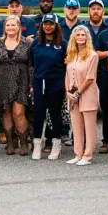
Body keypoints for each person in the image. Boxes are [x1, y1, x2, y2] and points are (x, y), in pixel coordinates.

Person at [0, 13, 33, 157]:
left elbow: (30, 64)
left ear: (18, 27)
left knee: (18, 112)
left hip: (21, 80)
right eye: (8, 25)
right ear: (4, 27)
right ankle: (10, 143)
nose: (10, 27)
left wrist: (31, 83)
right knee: (6, 112)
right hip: (3, 80)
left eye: (13, 25)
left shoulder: (26, 43)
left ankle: (24, 142)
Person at [30, 19, 68, 160]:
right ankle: (37, 144)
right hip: (40, 82)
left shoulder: (63, 44)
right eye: (45, 24)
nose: (48, 26)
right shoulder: (35, 43)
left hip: (56, 83)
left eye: (51, 24)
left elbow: (67, 63)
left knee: (55, 114)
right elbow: (32, 62)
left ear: (56, 26)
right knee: (38, 114)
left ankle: (56, 144)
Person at [84, 0, 108, 154]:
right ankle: (80, 137)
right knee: (84, 105)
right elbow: (95, 53)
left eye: (98, 8)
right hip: (86, 72)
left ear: (103, 12)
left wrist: (106, 55)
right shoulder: (83, 28)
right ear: (89, 11)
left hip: (105, 72)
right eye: (93, 9)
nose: (95, 11)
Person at [65, 25, 101, 166]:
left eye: (83, 35)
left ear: (87, 38)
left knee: (89, 126)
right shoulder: (71, 55)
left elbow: (90, 77)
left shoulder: (93, 55)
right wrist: (68, 92)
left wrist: (78, 92)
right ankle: (77, 154)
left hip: (87, 93)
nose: (80, 37)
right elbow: (67, 74)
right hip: (73, 95)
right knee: (76, 126)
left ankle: (87, 155)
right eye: (78, 35)